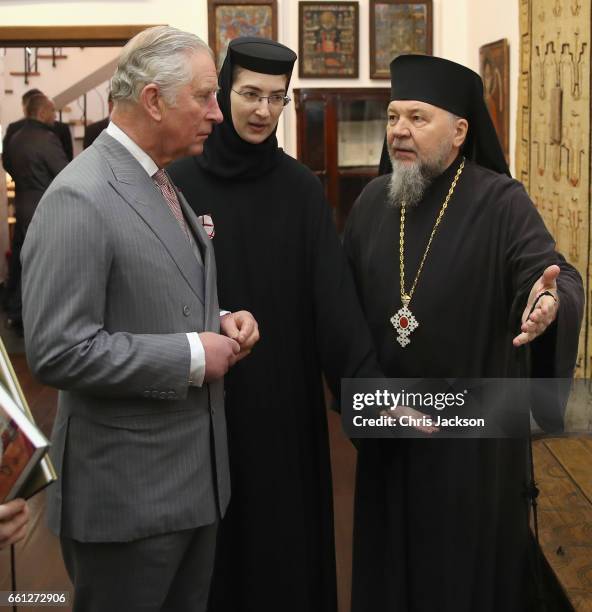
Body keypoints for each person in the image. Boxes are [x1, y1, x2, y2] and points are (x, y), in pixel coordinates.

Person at [21, 26, 258, 612]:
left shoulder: (159, 179)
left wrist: (220, 319)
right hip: (129, 500)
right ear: (153, 100)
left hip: (187, 488)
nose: (218, 114)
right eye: (204, 97)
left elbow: (157, 292)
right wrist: (195, 355)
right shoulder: (80, 197)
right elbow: (58, 350)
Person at [343, 54, 584, 612]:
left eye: (418, 117)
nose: (399, 129)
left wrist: (547, 300)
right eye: (393, 115)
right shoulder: (371, 204)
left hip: (470, 450)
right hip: (391, 436)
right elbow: (342, 315)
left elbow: (550, 273)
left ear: (459, 131)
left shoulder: (502, 202)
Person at [168, 37, 380, 612]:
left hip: (284, 407)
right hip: (200, 405)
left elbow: (333, 305)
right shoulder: (178, 185)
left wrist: (374, 399)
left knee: (281, 557)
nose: (263, 110)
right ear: (223, 95)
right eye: (250, 94)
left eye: (277, 99)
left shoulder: (301, 190)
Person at [3, 94, 69, 332]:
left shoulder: (15, 137)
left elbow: (8, 165)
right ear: (41, 113)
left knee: (20, 262)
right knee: (41, 265)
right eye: (52, 111)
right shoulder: (47, 138)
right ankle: (36, 317)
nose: (54, 117)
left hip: (21, 206)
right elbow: (65, 173)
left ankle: (15, 311)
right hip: (44, 208)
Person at [2, 88, 73, 171]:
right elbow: (63, 169)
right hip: (50, 182)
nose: (55, 115)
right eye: (52, 110)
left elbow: (7, 163)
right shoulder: (49, 138)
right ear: (41, 111)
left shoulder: (15, 134)